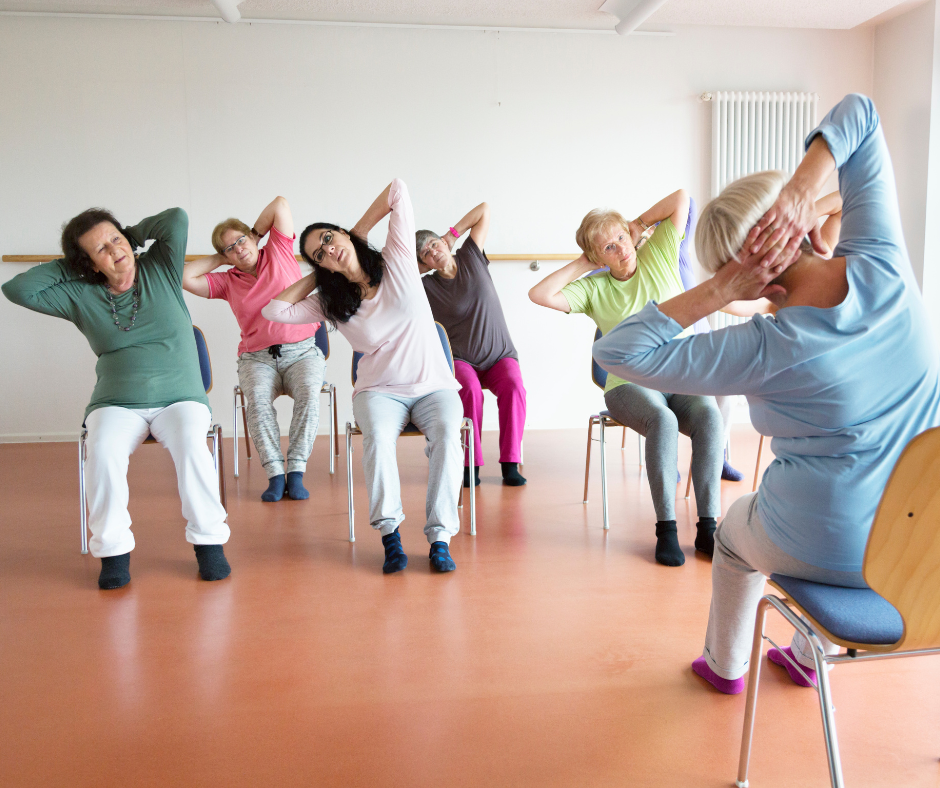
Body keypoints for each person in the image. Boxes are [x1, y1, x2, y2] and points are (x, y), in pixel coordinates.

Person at [590, 94, 940, 693]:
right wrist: (804, 188)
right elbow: (861, 113)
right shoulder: (884, 265)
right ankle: (809, 654)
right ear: (798, 224)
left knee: (731, 533)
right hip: (926, 533)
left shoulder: (762, 347)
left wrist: (721, 291)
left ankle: (725, 668)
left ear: (747, 275)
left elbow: (617, 353)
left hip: (831, 542)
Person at [2, 207, 231, 590]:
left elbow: (175, 218)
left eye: (115, 239)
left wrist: (130, 233)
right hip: (116, 402)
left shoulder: (161, 266)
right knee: (103, 450)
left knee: (193, 446)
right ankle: (113, 552)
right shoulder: (80, 295)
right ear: (88, 263)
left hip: (181, 398)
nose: (114, 250)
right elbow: (16, 289)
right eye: (100, 250)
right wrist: (70, 265)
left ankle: (209, 545)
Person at [262, 180, 463, 574]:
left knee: (447, 436)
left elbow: (398, 190)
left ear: (340, 232)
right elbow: (274, 311)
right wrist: (320, 275)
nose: (328, 249)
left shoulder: (399, 259)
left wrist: (357, 233)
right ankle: (391, 536)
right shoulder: (329, 301)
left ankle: (440, 538)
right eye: (318, 254)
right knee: (379, 439)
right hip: (379, 392)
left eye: (327, 238)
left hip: (433, 386)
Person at [528, 189, 724, 567]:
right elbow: (540, 293)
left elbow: (680, 197)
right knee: (662, 421)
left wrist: (637, 225)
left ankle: (707, 528)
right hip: (628, 385)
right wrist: (582, 265)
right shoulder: (594, 287)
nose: (620, 249)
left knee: (710, 418)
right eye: (607, 248)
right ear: (596, 258)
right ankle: (666, 529)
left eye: (620, 238)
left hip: (679, 377)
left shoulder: (660, 253)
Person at [182, 197, 326, 503]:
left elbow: (281, 205)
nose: (239, 249)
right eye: (230, 248)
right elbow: (185, 278)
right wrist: (221, 259)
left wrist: (257, 236)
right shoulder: (226, 282)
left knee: (310, 394)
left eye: (241, 240)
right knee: (258, 405)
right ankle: (275, 474)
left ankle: (296, 471)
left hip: (302, 352)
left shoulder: (279, 252)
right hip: (257, 358)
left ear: (252, 237)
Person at [416, 202, 527, 488]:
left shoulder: (471, 256)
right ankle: (469, 465)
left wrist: (451, 235)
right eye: (425, 253)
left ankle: (510, 463)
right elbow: (396, 275)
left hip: (500, 355)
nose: (432, 251)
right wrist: (418, 264)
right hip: (462, 360)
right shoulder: (426, 287)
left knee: (514, 386)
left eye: (432, 244)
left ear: (442, 241)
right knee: (470, 392)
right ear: (423, 263)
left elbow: (484, 210)